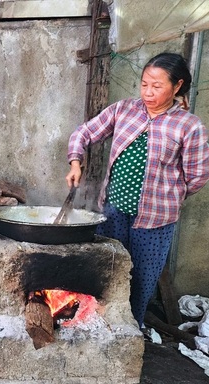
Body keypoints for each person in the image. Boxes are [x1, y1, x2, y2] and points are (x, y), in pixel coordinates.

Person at [65, 52, 209, 331]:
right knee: (108, 271)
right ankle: (100, 328)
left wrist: (168, 197)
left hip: (155, 221)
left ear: (177, 86)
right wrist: (75, 162)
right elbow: (84, 133)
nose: (148, 92)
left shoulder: (189, 126)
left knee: (142, 279)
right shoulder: (124, 109)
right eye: (144, 84)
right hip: (114, 211)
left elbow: (198, 176)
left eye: (157, 86)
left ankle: (131, 330)